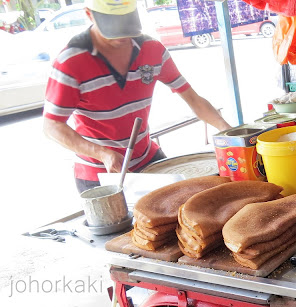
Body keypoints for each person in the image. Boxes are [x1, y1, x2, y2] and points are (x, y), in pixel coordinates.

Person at [43, 0, 232, 193]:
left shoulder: (152, 49)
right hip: (99, 172)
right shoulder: (70, 62)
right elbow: (52, 126)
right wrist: (102, 154)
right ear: (89, 14)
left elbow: (193, 98)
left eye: (126, 24)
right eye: (113, 27)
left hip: (147, 158)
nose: (123, 35)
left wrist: (227, 131)